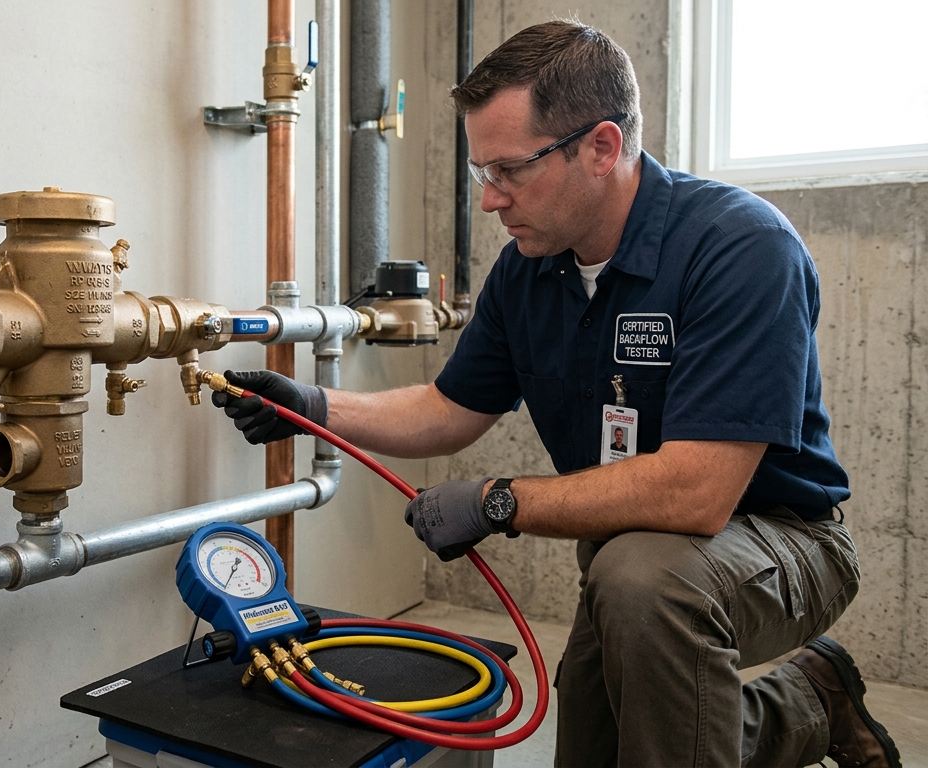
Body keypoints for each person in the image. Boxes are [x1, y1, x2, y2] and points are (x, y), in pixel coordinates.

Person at [213, 20, 901, 768]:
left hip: (782, 539)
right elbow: (450, 409)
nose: (489, 201)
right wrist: (311, 407)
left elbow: (698, 493)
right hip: (631, 557)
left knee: (644, 584)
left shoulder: (738, 247)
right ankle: (811, 700)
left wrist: (498, 500)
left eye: (509, 171)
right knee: (606, 740)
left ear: (601, 148)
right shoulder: (529, 269)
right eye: (483, 174)